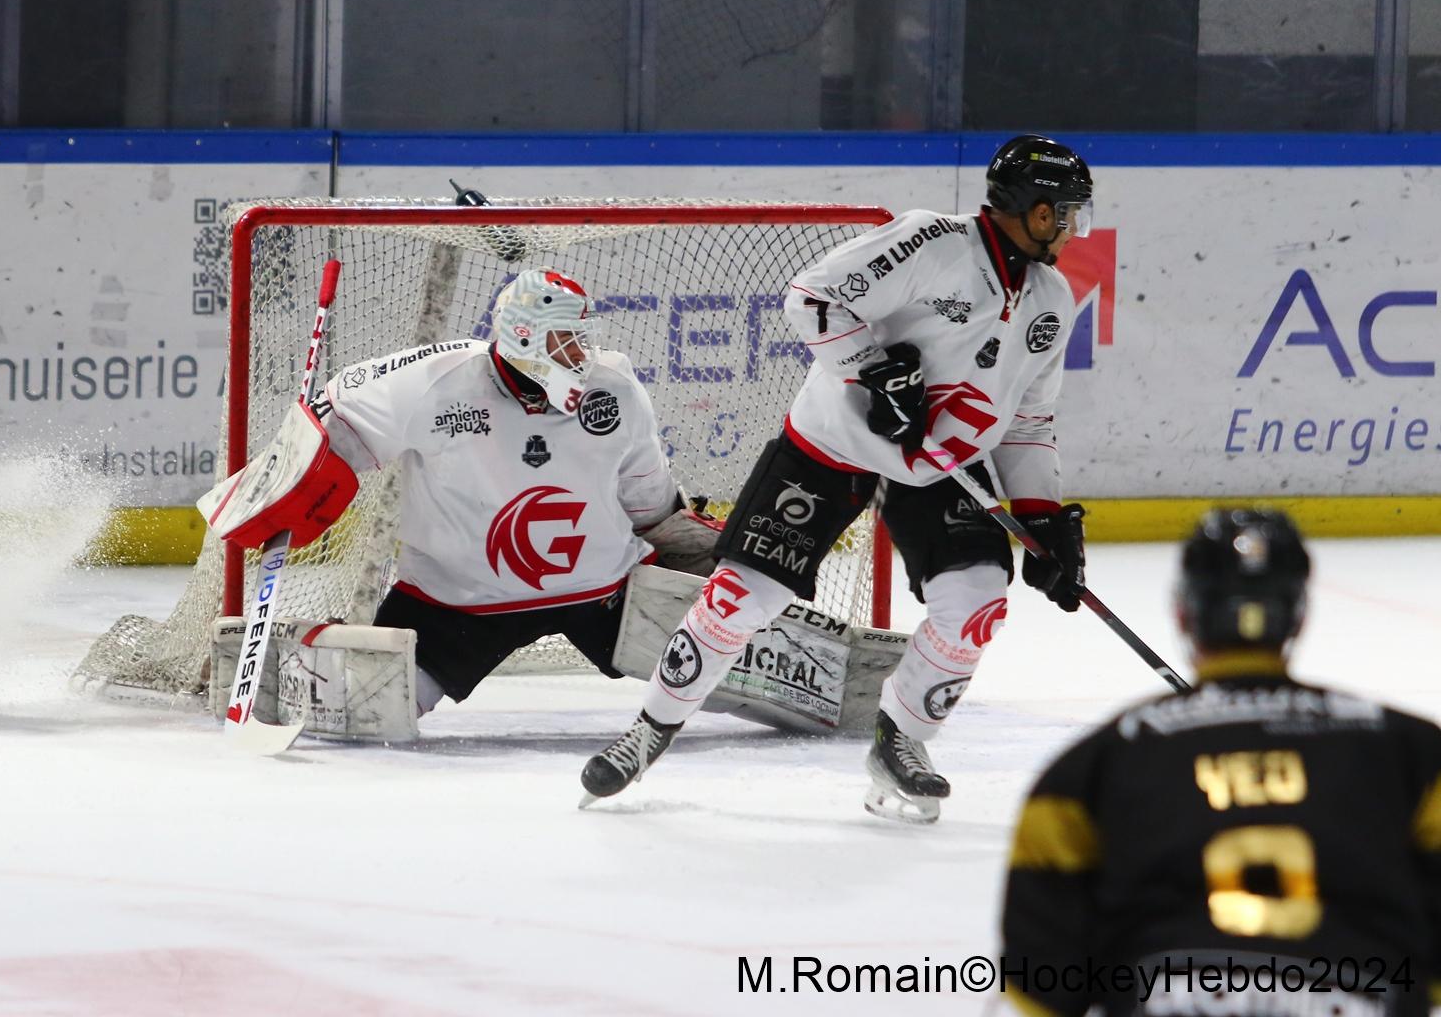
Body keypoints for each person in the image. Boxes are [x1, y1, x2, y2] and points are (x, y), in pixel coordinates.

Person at [581, 134, 1095, 822]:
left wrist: (1042, 517)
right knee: (740, 598)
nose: (1069, 228)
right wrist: (874, 373)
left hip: (939, 466)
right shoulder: (930, 243)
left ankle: (901, 740)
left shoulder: (1051, 300)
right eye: (1063, 212)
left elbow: (1029, 422)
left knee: (976, 599)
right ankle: (651, 727)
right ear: (1032, 211)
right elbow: (813, 297)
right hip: (831, 446)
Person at [211, 265, 718, 723]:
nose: (581, 355)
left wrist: (682, 547)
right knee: (359, 713)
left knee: (731, 668)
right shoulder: (436, 382)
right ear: (524, 337)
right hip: (455, 605)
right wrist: (301, 469)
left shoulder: (616, 387)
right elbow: (340, 412)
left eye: (583, 340)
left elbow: (644, 490)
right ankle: (303, 657)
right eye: (566, 340)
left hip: (604, 595)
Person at [999, 509, 1441, 1016]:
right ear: (1298, 615)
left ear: (1184, 615)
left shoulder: (1091, 768)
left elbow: (1040, 983)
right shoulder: (1412, 750)